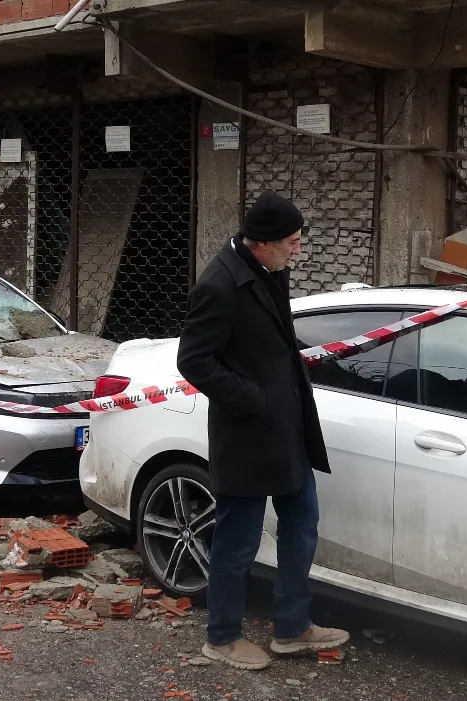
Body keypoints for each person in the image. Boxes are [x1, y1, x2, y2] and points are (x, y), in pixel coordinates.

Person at [176, 191, 350, 671]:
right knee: (238, 544)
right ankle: (222, 636)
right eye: (292, 242)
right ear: (263, 244)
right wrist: (254, 399)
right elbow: (193, 361)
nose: (298, 250)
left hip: (288, 433)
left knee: (301, 528)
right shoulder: (218, 285)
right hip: (247, 438)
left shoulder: (270, 270)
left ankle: (293, 627)